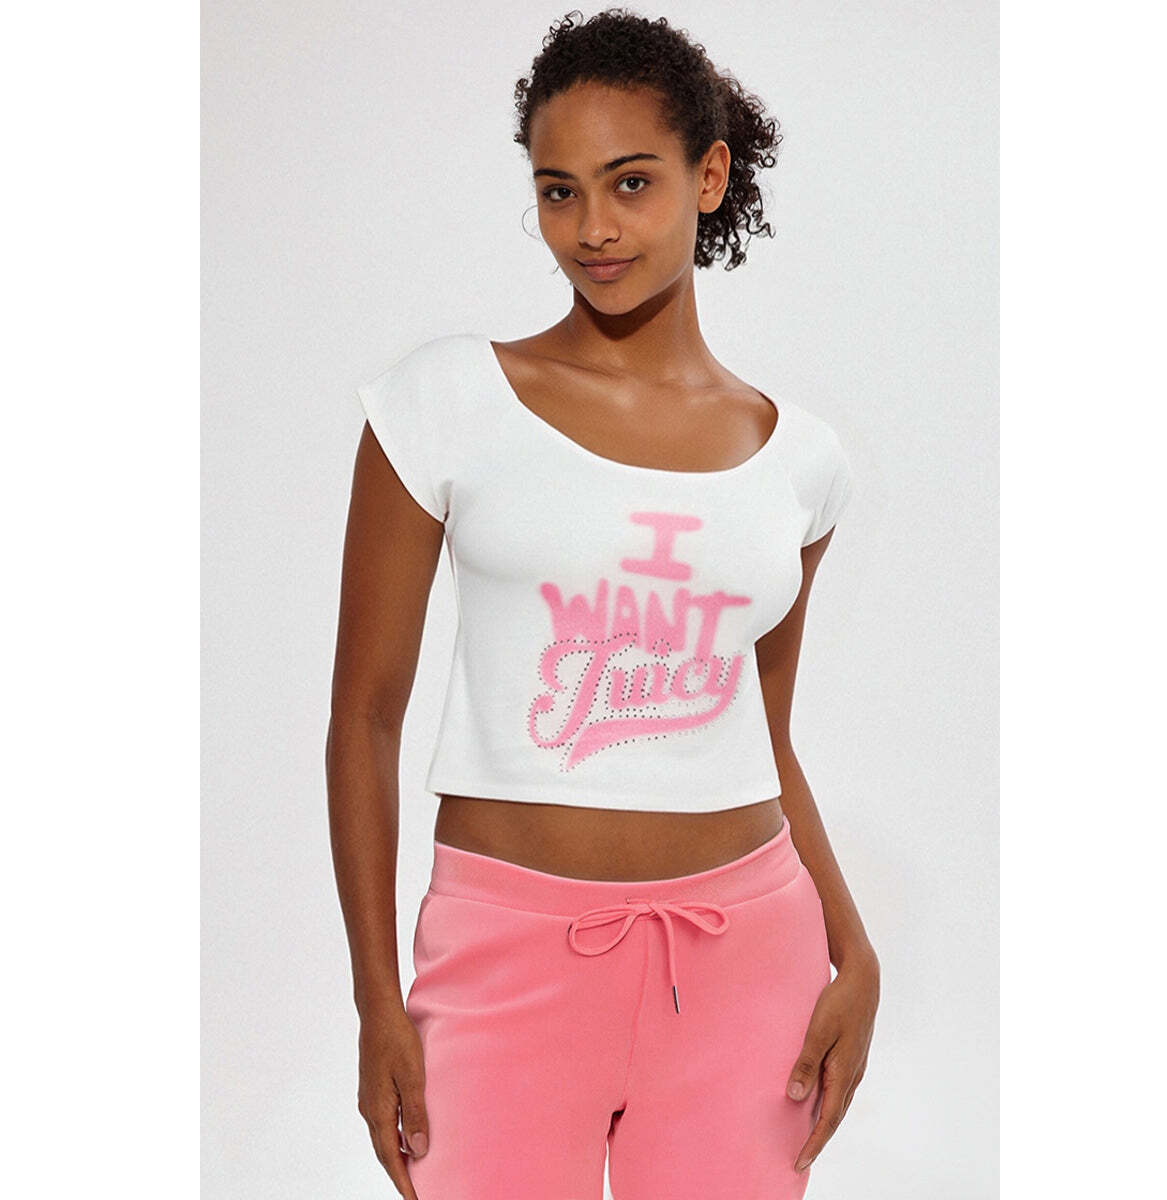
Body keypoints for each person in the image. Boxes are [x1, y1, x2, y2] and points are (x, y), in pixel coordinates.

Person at [328, 9, 879, 1199]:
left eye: (631, 183)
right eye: (558, 192)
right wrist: (376, 1001)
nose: (593, 229)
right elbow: (365, 718)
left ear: (709, 176)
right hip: (502, 963)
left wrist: (856, 953)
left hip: (749, 965)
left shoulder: (801, 461)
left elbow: (766, 738)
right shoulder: (443, 402)